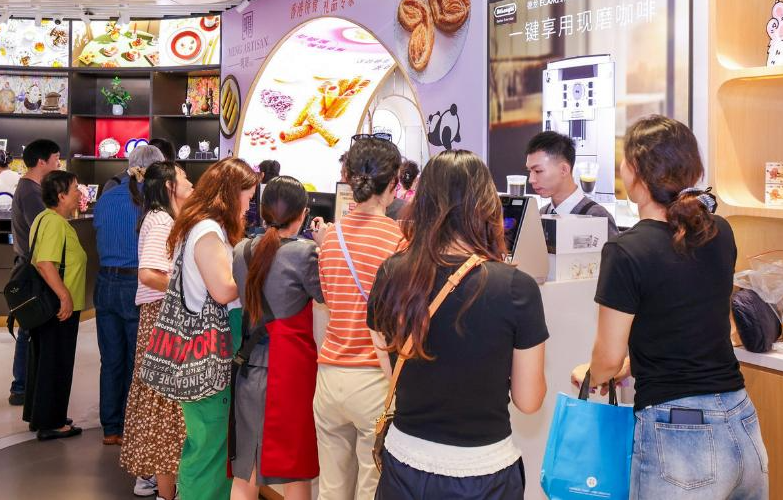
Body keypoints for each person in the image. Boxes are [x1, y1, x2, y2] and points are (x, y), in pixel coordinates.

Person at [571, 116, 766, 499]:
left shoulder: (626, 251)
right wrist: (634, 364)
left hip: (679, 435)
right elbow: (690, 321)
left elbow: (608, 359)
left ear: (635, 171)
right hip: (742, 424)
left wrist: (593, 374)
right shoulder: (721, 231)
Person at [368, 150, 548, 499]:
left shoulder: (391, 273)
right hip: (483, 474)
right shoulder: (516, 287)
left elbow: (393, 372)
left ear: (423, 204)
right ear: (486, 206)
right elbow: (529, 401)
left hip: (404, 466)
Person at [314, 137, 404, 500]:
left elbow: (329, 299)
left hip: (329, 375)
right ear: (393, 182)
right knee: (373, 488)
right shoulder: (399, 240)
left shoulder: (329, 237)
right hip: (374, 379)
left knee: (331, 489)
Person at [166, 157, 258, 500]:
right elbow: (222, 290)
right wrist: (256, 269)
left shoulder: (199, 226)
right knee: (211, 445)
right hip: (210, 349)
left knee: (209, 442)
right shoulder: (207, 230)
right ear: (231, 194)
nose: (248, 206)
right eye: (247, 197)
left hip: (201, 348)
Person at [230, 176, 325, 500]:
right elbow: (325, 295)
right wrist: (326, 246)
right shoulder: (305, 253)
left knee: (246, 469)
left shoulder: (241, 250)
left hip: (248, 367)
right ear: (302, 214)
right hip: (290, 372)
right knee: (295, 470)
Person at [121, 162, 194, 500]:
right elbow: (149, 274)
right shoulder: (163, 221)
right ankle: (165, 488)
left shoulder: (161, 218)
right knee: (164, 404)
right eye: (183, 177)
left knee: (158, 402)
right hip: (161, 319)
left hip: (159, 318)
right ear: (168, 186)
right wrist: (187, 286)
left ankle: (154, 478)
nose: (190, 182)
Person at [93, 144, 165, 446]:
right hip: (136, 284)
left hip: (104, 283)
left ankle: (111, 427)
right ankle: (133, 426)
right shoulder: (151, 203)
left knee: (111, 359)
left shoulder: (106, 197)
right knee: (139, 359)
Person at [23, 170, 86, 441]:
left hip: (48, 305)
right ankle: (52, 422)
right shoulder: (55, 223)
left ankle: (42, 415)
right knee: (57, 363)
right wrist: (64, 296)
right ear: (61, 196)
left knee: (45, 360)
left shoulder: (44, 218)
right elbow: (45, 263)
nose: (79, 193)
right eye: (75, 189)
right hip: (58, 307)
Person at [8, 139, 61, 406]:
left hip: (31, 265)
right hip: (32, 269)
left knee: (31, 328)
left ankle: (25, 385)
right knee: (29, 328)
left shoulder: (31, 188)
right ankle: (21, 386)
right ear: (42, 162)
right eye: (56, 159)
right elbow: (43, 231)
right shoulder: (31, 192)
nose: (58, 164)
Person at [524, 131, 619, 237]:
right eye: (529, 171)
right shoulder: (542, 213)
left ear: (564, 170)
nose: (531, 180)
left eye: (538, 171)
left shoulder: (597, 217)